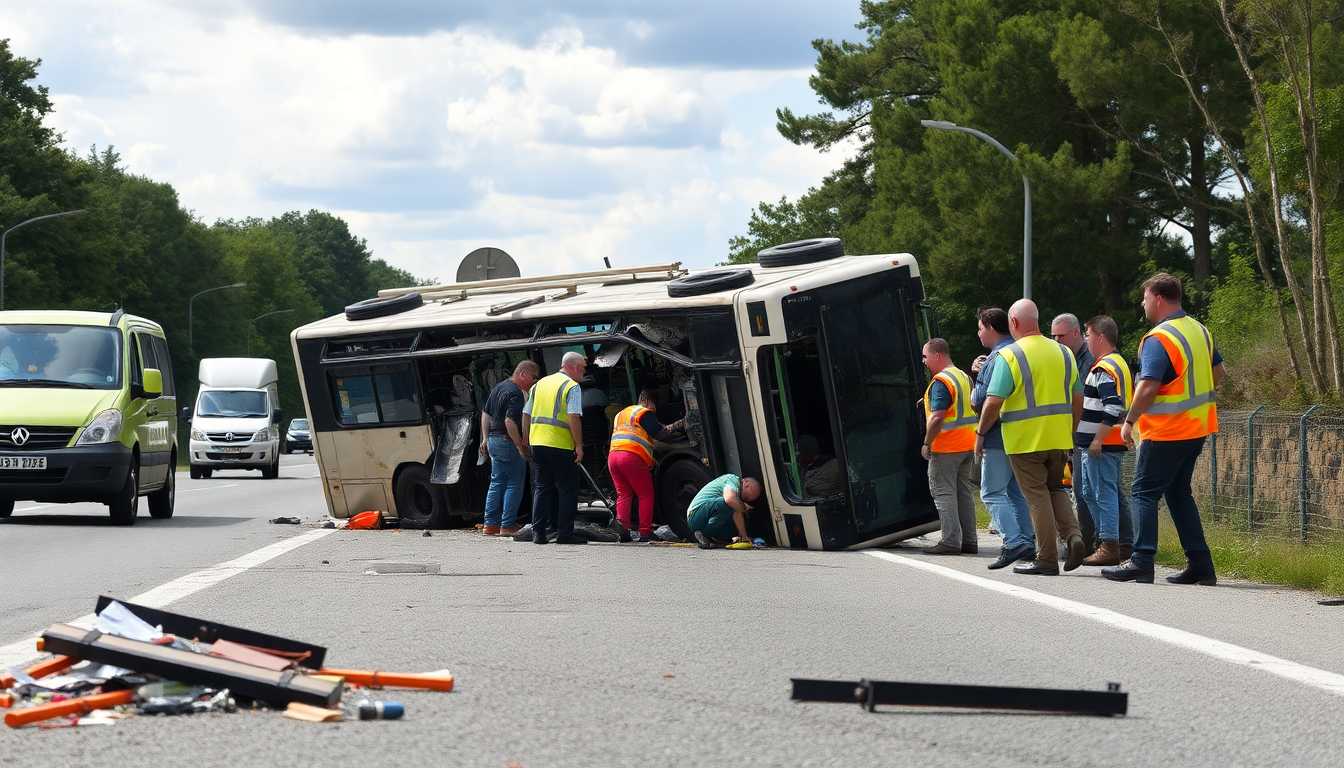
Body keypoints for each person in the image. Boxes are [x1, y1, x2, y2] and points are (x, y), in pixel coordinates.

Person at [1104, 273, 1225, 585]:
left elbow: (1148, 386)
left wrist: (1129, 421)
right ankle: (1200, 565)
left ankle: (1141, 561)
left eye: (1145, 299)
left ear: (1158, 299)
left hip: (1167, 430)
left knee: (1143, 492)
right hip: (1197, 427)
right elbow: (1218, 372)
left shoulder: (1159, 338)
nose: (1142, 304)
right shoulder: (1199, 330)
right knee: (1178, 493)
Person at [975, 299, 1086, 576]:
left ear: (1013, 322)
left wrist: (980, 433)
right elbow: (1078, 397)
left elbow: (992, 402)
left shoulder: (1010, 355)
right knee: (1056, 489)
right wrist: (1071, 430)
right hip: (1059, 438)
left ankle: (1046, 558)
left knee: (1036, 496)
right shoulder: (1064, 352)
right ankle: (1073, 535)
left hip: (1025, 440)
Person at [970, 308, 1036, 570]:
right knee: (1016, 492)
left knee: (991, 493)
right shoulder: (1020, 351)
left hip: (996, 435)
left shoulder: (997, 357)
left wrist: (980, 433)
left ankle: (1014, 541)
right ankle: (1028, 541)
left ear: (990, 327)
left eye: (980, 328)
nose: (978, 334)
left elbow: (981, 400)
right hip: (1020, 434)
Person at [1075, 316, 1132, 566]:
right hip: (1106, 441)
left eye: (1088, 335)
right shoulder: (1118, 363)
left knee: (1102, 494)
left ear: (1100, 337)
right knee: (1091, 492)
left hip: (1102, 444)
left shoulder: (1104, 368)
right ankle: (1111, 543)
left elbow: (1112, 406)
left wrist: (1097, 438)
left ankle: (1109, 546)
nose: (1086, 340)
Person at [521, 351, 588, 545]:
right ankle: (565, 534)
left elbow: (526, 413)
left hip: (537, 443)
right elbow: (573, 417)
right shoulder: (571, 386)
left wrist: (526, 439)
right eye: (583, 368)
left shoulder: (539, 384)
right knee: (568, 488)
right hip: (560, 444)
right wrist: (579, 445)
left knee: (542, 487)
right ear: (575, 366)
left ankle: (538, 533)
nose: (584, 372)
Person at [919, 338, 978, 555]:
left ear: (937, 355)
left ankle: (951, 541)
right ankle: (969, 541)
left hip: (946, 447)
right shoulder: (963, 376)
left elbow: (937, 417)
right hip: (967, 444)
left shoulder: (941, 381)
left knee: (944, 493)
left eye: (925, 356)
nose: (924, 361)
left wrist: (927, 443)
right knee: (963, 493)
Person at [608, 388, 684, 540]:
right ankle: (645, 531)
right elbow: (660, 433)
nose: (655, 410)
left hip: (613, 456)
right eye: (655, 405)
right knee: (645, 494)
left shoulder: (621, 414)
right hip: (630, 457)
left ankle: (623, 531)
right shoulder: (643, 412)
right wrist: (679, 427)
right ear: (648, 401)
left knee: (624, 494)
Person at [1051, 313, 1097, 555]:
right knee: (1082, 490)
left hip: (1087, 434)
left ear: (1076, 333)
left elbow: (1081, 400)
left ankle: (1090, 543)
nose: (1056, 341)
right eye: (1053, 336)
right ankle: (1092, 542)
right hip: (1077, 433)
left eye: (1060, 336)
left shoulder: (1088, 361)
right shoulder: (1070, 359)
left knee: (1086, 491)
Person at [477, 360, 540, 536]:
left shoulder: (499, 387)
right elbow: (510, 421)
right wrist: (520, 446)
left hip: (494, 441)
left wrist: (485, 438)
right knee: (514, 483)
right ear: (522, 374)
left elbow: (486, 413)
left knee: (496, 483)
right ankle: (507, 525)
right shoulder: (516, 393)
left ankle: (490, 525)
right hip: (508, 441)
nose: (534, 382)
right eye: (534, 377)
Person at [687, 474, 761, 548]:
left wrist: (744, 536)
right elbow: (729, 500)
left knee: (734, 529)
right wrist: (743, 507)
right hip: (695, 514)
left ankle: (708, 537)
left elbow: (738, 514)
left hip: (704, 520)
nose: (745, 500)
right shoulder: (732, 480)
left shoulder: (735, 495)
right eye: (747, 497)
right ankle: (704, 535)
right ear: (746, 484)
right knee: (728, 503)